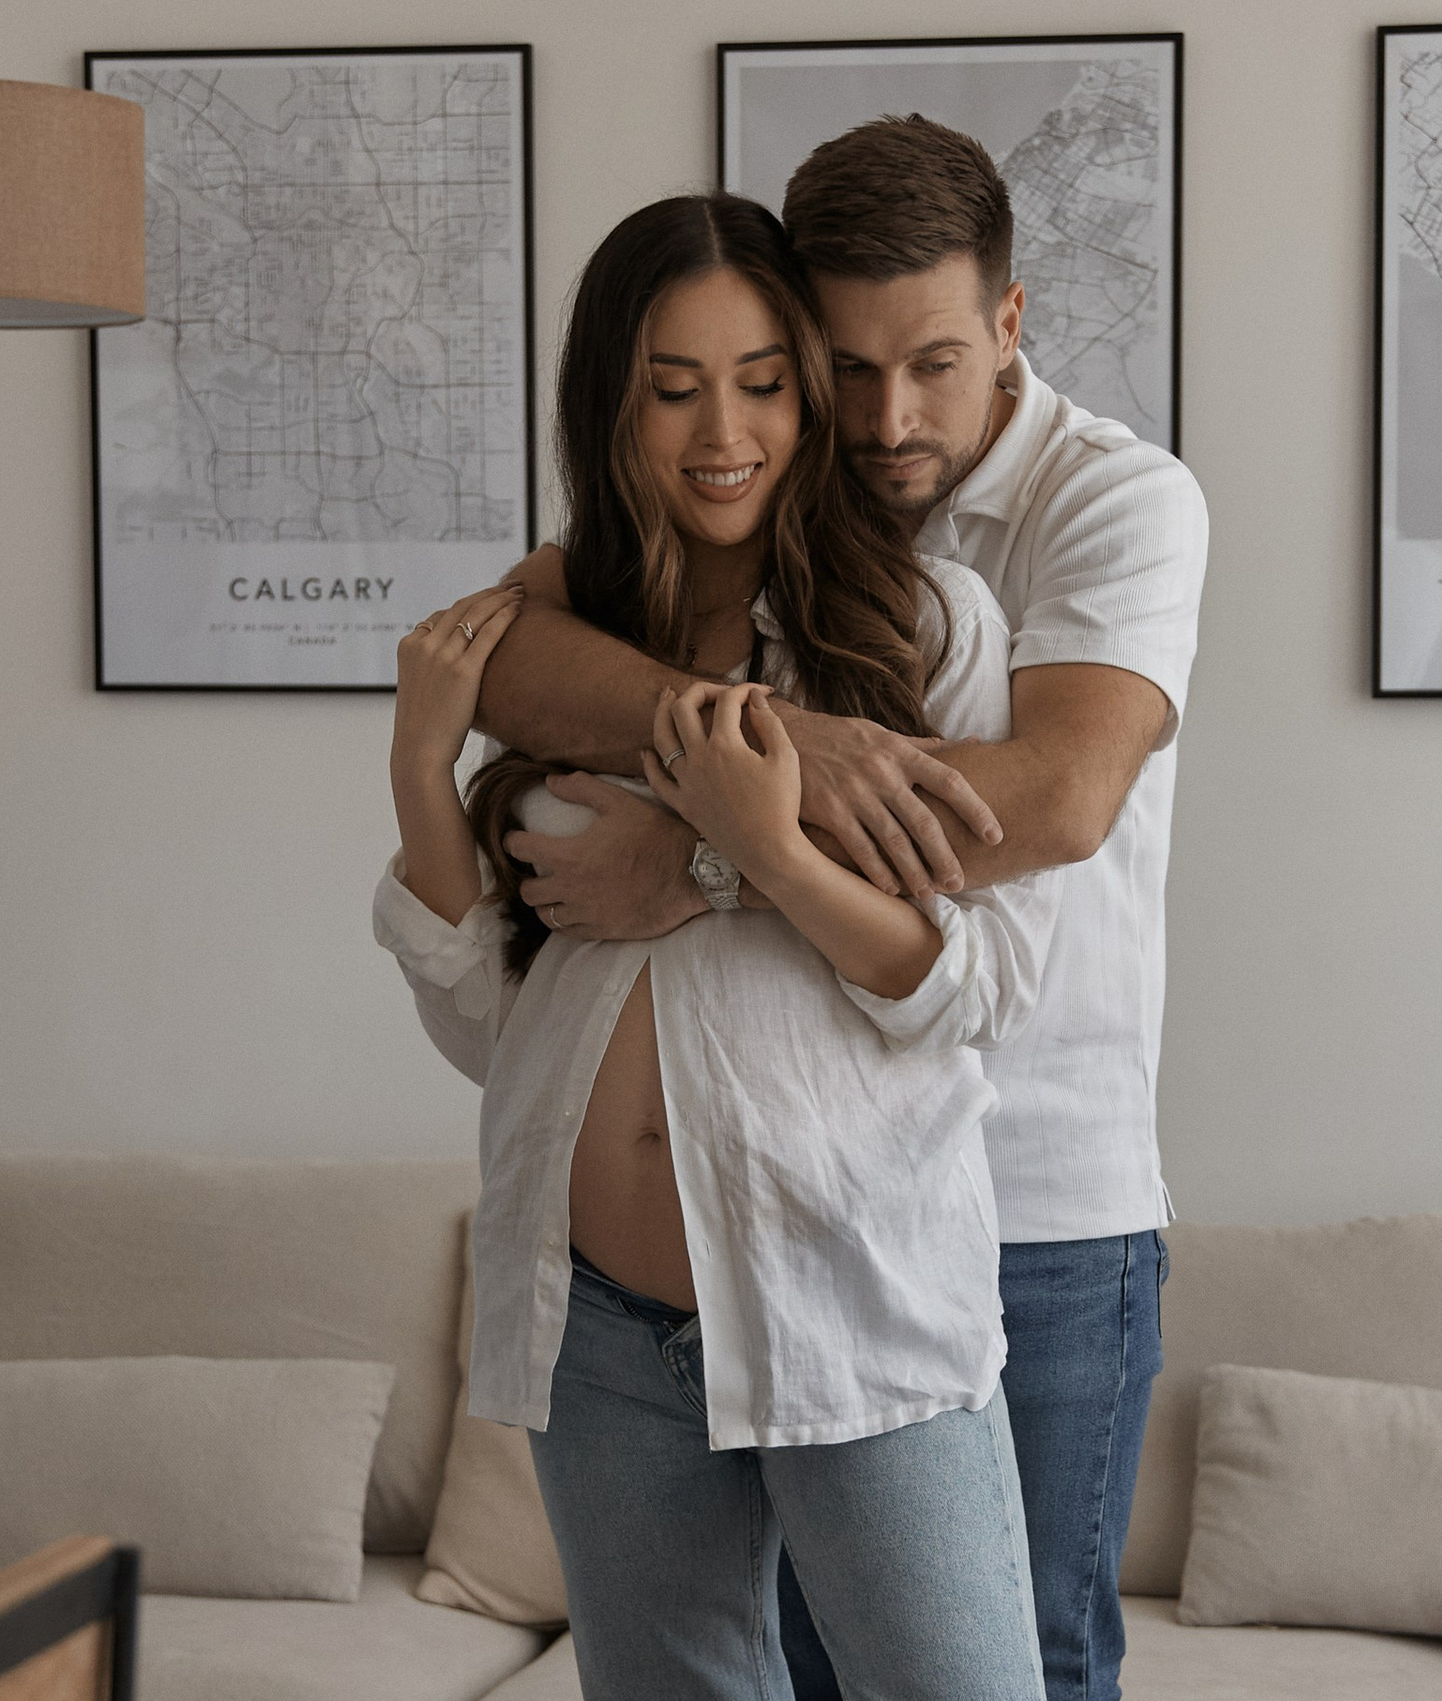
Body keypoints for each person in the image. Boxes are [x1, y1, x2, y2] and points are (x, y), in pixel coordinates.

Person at [474, 119, 1209, 1701]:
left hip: (1040, 1187)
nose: (887, 418)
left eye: (934, 362)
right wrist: (781, 738)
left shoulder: (1111, 505)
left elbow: (1053, 802)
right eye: (844, 369)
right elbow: (511, 653)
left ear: (1012, 323)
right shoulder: (753, 511)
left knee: (1037, 1661)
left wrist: (707, 854)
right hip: (786, 1196)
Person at [373, 192, 1056, 1701]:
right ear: (607, 405)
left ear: (807, 395)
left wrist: (743, 847)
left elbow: (977, 987)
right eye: (671, 390)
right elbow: (496, 1023)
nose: (720, 431)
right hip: (597, 1334)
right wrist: (426, 772)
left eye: (758, 381)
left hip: (848, 1292)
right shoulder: (555, 657)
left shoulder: (920, 627)